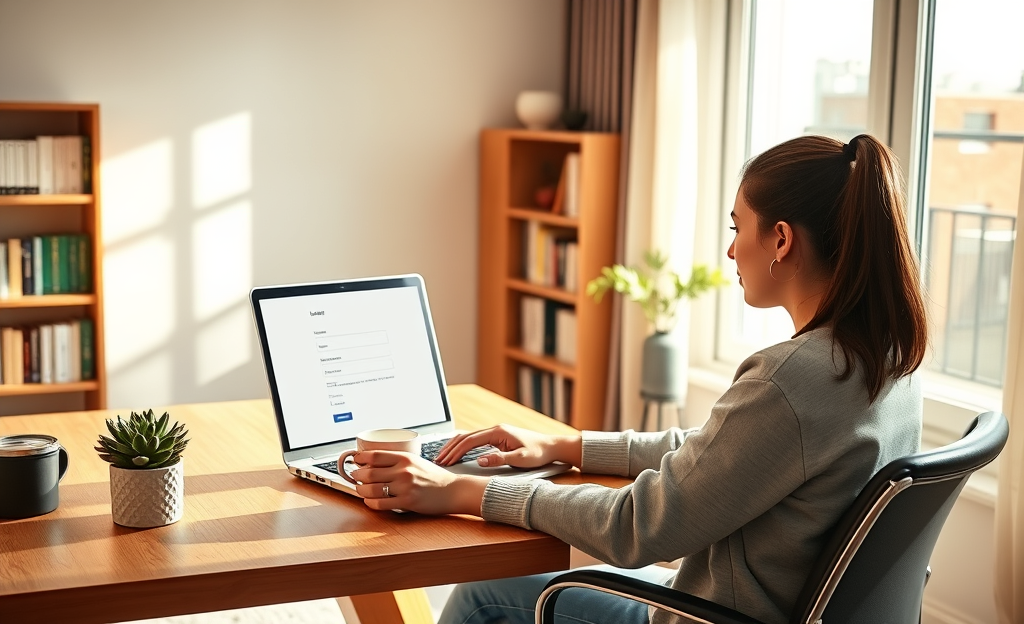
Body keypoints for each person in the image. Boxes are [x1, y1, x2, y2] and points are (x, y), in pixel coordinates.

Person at [345, 134, 928, 624]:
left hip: (710, 617)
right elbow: (715, 457)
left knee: (485, 593)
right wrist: (567, 446)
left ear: (780, 239)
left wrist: (467, 492)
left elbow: (639, 527)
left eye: (738, 227)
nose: (730, 250)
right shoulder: (886, 356)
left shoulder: (792, 378)